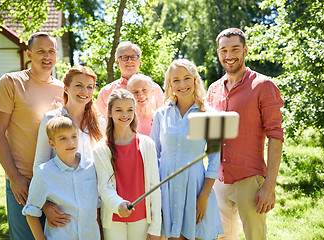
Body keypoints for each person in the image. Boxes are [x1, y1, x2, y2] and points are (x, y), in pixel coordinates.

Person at [206, 28, 284, 240]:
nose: (229, 56)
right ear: (218, 52)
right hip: (219, 179)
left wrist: (269, 186)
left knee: (255, 237)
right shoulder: (213, 89)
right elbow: (212, 135)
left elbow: (276, 136)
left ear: (245, 50)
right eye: (223, 50)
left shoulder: (263, 85)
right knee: (221, 237)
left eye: (235, 49)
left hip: (249, 179)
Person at [0, 32, 64, 240]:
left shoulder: (63, 89)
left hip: (57, 181)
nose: (47, 56)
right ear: (29, 54)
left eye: (51, 51)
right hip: (23, 181)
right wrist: (14, 177)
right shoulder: (11, 82)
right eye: (41, 51)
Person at [150, 59, 223, 240]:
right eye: (176, 80)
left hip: (196, 188)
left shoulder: (209, 115)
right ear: (169, 84)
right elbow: (154, 156)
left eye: (186, 78)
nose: (182, 84)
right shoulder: (161, 115)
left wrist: (203, 197)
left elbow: (214, 160)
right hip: (166, 189)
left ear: (195, 80)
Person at [33, 65, 105, 228]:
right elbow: (39, 165)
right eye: (79, 85)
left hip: (96, 204)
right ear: (66, 88)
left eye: (89, 87)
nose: (84, 91)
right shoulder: (51, 118)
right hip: (62, 206)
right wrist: (45, 205)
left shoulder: (100, 122)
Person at [93, 89, 161, 240]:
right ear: (109, 112)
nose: (125, 115)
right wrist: (119, 205)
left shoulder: (147, 144)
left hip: (142, 218)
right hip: (114, 218)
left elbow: (154, 186)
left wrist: (156, 227)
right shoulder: (101, 148)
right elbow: (104, 188)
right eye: (119, 110)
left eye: (130, 110)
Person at [22, 115, 100, 239]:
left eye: (74, 136)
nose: (70, 142)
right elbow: (31, 211)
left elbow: (97, 206)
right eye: (63, 138)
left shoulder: (91, 168)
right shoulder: (44, 173)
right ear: (52, 144)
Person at [95, 41, 163, 117]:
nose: (129, 61)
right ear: (118, 62)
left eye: (133, 57)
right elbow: (99, 123)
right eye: (124, 57)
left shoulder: (155, 89)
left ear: (139, 61)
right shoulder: (106, 92)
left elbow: (163, 120)